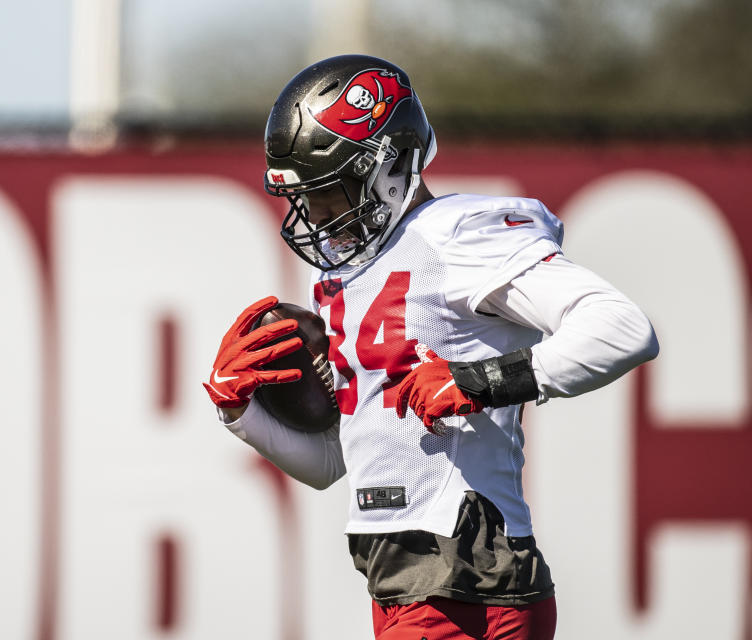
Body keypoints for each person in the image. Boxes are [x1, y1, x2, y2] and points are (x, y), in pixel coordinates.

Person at [203, 54, 659, 640]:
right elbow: (333, 465)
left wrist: (482, 379)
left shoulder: (458, 233)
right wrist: (240, 415)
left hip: (465, 577)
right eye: (305, 199)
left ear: (389, 165)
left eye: (329, 193)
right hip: (403, 583)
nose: (316, 216)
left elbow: (621, 327)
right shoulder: (347, 275)